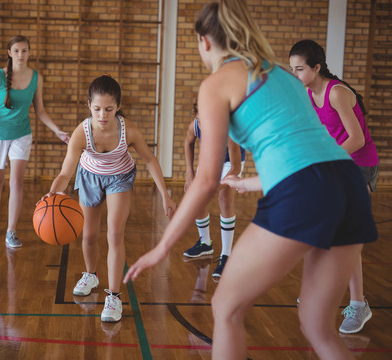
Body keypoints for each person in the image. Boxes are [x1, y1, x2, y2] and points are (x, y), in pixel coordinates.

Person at [124, 1, 377, 359]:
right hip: (349, 183)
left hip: (304, 188)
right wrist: (252, 182)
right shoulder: (283, 75)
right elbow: (305, 150)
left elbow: (208, 179)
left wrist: (163, 246)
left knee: (226, 308)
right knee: (319, 328)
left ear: (204, 41)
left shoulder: (215, 84)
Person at [40, 75, 176, 323]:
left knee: (114, 233)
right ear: (88, 106)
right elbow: (65, 172)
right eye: (97, 109)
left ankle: (114, 296)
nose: (102, 115)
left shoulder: (129, 130)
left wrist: (165, 195)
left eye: (109, 109)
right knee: (89, 235)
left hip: (119, 178)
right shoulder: (82, 133)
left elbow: (150, 160)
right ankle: (90, 274)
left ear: (118, 107)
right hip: (89, 176)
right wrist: (53, 192)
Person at [289, 39, 378, 334]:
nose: (296, 74)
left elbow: (357, 139)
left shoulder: (336, 93)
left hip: (359, 166)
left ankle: (358, 304)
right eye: (292, 69)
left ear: (316, 67)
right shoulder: (309, 94)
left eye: (300, 69)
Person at [0, 35, 70, 248]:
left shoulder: (36, 78)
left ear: (29, 52)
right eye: (17, 51)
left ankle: (11, 231)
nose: (21, 55)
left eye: (24, 50)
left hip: (21, 134)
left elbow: (40, 111)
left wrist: (57, 131)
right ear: (9, 53)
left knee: (16, 182)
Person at [182, 101, 244, 279]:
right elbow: (188, 142)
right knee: (197, 196)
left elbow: (236, 167)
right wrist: (189, 172)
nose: (203, 124)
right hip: (210, 159)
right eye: (200, 120)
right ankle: (205, 243)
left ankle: (226, 255)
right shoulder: (196, 124)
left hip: (229, 162)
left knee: (224, 199)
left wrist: (218, 187)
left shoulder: (228, 130)